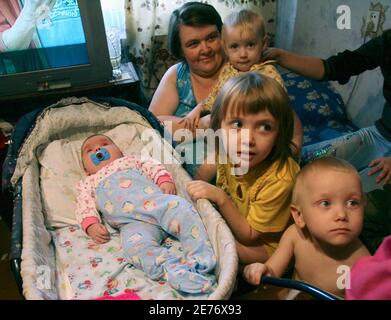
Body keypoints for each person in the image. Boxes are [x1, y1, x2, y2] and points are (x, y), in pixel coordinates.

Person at [148, 2, 303, 177]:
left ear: (223, 38)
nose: (205, 49)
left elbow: (287, 122)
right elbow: (150, 126)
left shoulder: (243, 68)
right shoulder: (177, 75)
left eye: (211, 38)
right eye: (193, 44)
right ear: (181, 50)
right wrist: (205, 124)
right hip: (182, 176)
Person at [76, 134, 216, 294]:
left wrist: (164, 180)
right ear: (86, 169)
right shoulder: (89, 182)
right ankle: (174, 269)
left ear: (120, 151)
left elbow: (154, 167)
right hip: (132, 224)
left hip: (157, 204)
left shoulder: (131, 161)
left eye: (105, 143)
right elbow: (84, 205)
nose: (98, 149)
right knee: (134, 249)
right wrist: (91, 224)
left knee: (182, 207)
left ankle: (200, 259)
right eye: (89, 150)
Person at [187, 72, 300, 264]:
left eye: (265, 127)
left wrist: (220, 198)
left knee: (219, 250)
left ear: (279, 133)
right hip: (235, 219)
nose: (248, 140)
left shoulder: (281, 179)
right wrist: (189, 187)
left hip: (267, 246)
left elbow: (250, 236)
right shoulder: (227, 148)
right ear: (219, 126)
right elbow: (202, 174)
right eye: (238, 124)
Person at [263, 29, 391, 189]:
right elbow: (336, 66)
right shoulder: (388, 41)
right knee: (303, 162)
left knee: (343, 196)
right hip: (378, 136)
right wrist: (280, 56)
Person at [243, 156, 370, 299]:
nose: (341, 214)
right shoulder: (295, 236)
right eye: (325, 203)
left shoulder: (364, 264)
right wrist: (259, 270)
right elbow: (271, 272)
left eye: (352, 203)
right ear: (299, 215)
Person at [181, 9, 285, 128]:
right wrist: (197, 110)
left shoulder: (268, 73)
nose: (243, 54)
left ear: (264, 43)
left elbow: (280, 109)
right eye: (235, 46)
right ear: (225, 47)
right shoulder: (227, 71)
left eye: (250, 45)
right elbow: (215, 96)